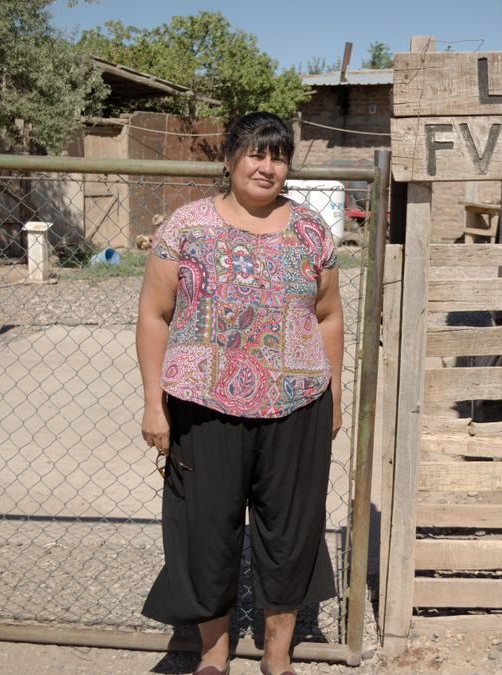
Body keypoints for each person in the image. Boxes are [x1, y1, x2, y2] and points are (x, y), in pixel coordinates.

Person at [136, 111, 343, 675]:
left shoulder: (311, 231)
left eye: (278, 157)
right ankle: (213, 653)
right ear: (230, 159)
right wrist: (154, 402)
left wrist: (335, 397)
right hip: (203, 406)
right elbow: (154, 314)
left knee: (290, 531)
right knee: (207, 530)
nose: (267, 167)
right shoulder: (187, 227)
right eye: (255, 153)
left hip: (297, 403)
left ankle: (277, 655)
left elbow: (328, 315)